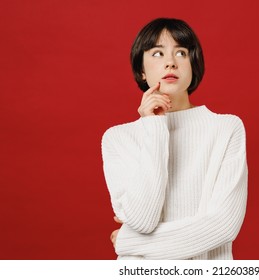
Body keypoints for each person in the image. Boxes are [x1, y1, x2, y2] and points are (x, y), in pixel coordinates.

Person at [101, 18, 248, 260]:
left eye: (181, 52)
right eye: (157, 53)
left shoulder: (226, 128)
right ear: (141, 69)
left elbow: (223, 226)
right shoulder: (118, 139)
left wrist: (129, 241)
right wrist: (155, 126)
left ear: (193, 65)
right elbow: (143, 219)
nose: (170, 62)